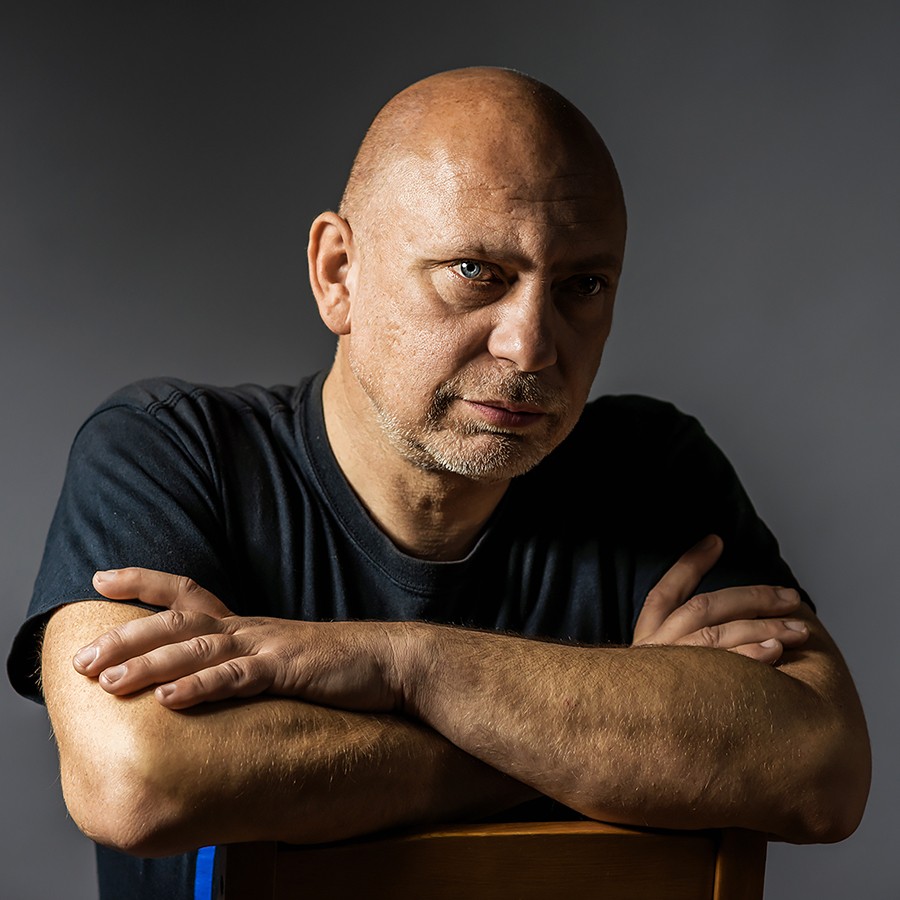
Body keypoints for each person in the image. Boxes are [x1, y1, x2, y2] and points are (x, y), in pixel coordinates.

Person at [7, 66, 870, 899]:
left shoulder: (651, 470)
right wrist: (612, 739)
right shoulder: (171, 454)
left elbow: (822, 770)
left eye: (582, 285)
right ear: (338, 272)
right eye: (476, 273)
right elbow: (139, 781)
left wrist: (403, 668)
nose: (531, 346)